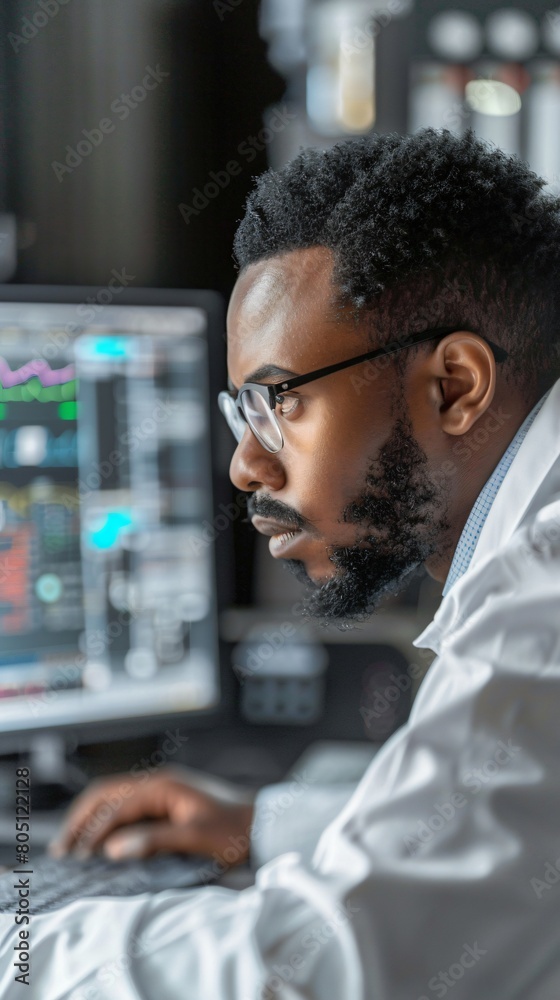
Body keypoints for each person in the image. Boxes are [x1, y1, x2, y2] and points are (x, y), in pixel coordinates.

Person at [2, 127, 560, 999]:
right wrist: (269, 824)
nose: (245, 466)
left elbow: (327, 969)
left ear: (456, 385)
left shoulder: (544, 608)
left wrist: (19, 949)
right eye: (240, 415)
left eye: (279, 404)